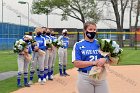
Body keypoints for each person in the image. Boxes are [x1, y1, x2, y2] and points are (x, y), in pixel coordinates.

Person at [72, 22, 109, 93]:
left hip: (100, 76)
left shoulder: (100, 44)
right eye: (90, 29)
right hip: (85, 77)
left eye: (94, 30)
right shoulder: (78, 45)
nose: (93, 31)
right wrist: (93, 62)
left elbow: (109, 58)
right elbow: (76, 63)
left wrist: (105, 59)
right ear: (85, 31)